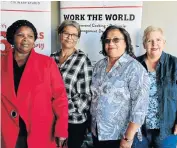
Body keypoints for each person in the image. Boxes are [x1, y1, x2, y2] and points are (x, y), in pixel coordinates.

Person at [1, 20, 68, 148]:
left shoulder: (47, 63)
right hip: (7, 132)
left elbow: (60, 98)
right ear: (12, 37)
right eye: (21, 35)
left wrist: (61, 129)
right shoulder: (1, 63)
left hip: (40, 131)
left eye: (30, 36)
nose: (26, 39)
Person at [90, 25, 150, 148]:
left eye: (116, 39)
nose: (111, 43)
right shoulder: (99, 66)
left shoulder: (135, 68)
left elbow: (140, 107)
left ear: (126, 43)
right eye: (107, 40)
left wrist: (128, 138)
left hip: (120, 136)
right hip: (98, 133)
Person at [132, 26, 177, 148]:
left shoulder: (175, 64)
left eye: (158, 40)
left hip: (167, 128)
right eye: (149, 41)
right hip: (139, 129)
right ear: (144, 44)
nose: (154, 44)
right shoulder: (135, 65)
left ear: (164, 43)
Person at [50, 20, 93, 148]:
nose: (70, 37)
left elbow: (85, 98)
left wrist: (62, 110)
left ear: (78, 38)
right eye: (66, 33)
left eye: (74, 35)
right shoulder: (51, 58)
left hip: (73, 121)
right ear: (59, 35)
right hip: (52, 119)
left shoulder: (82, 60)